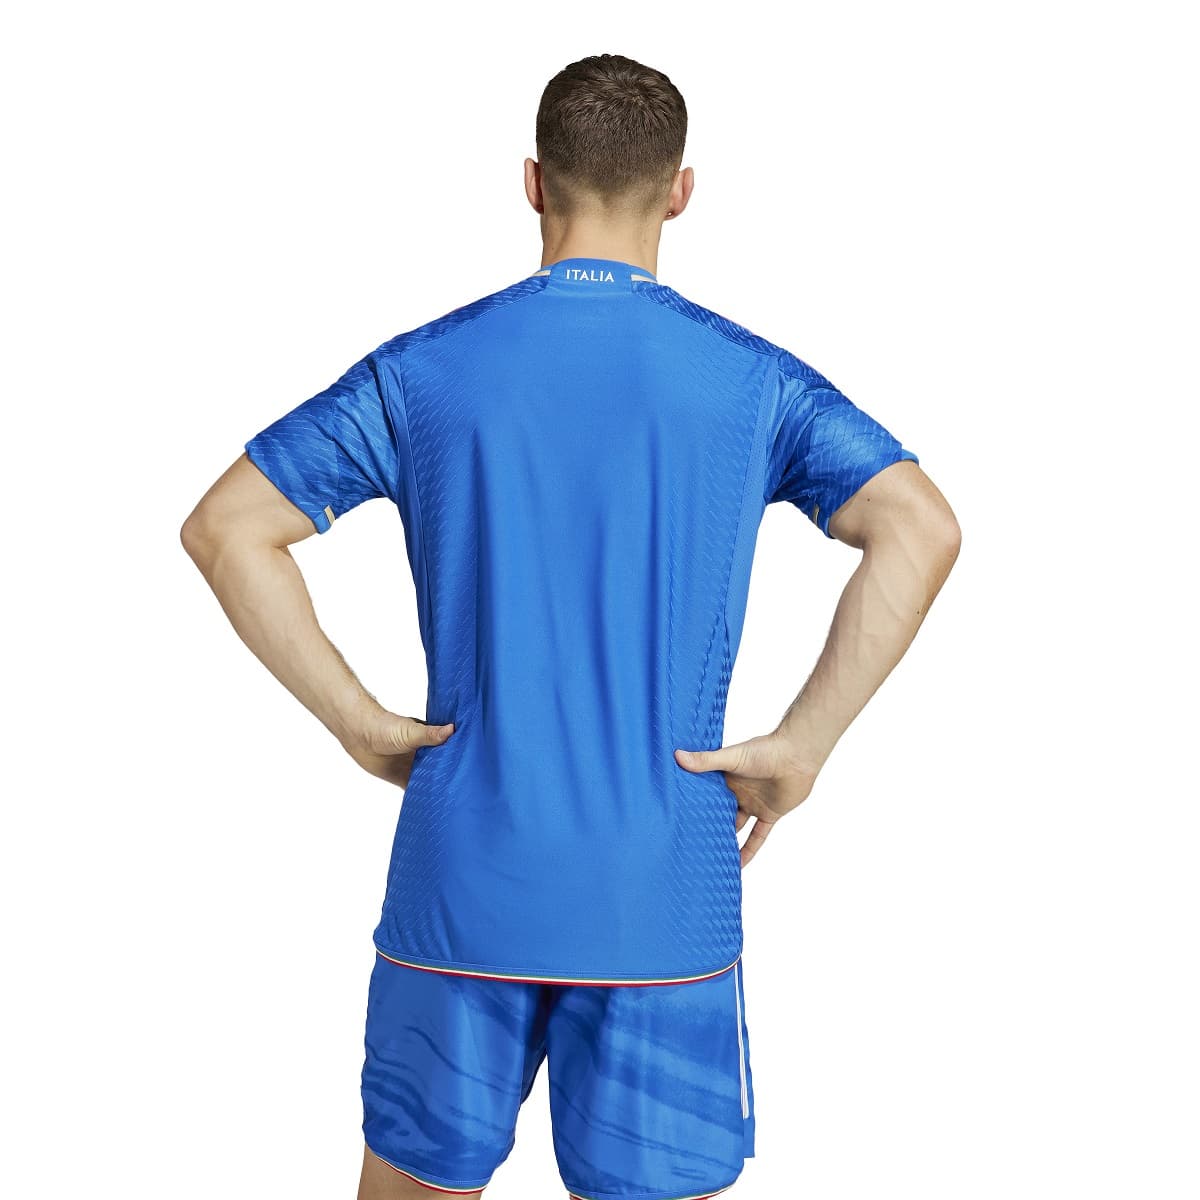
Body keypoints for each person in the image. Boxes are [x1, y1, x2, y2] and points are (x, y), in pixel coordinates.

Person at [181, 51, 960, 1200]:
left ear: (534, 182)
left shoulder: (424, 373)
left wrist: (356, 722)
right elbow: (920, 527)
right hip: (664, 895)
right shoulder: (754, 382)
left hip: (463, 883)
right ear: (680, 191)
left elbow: (227, 528)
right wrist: (803, 746)